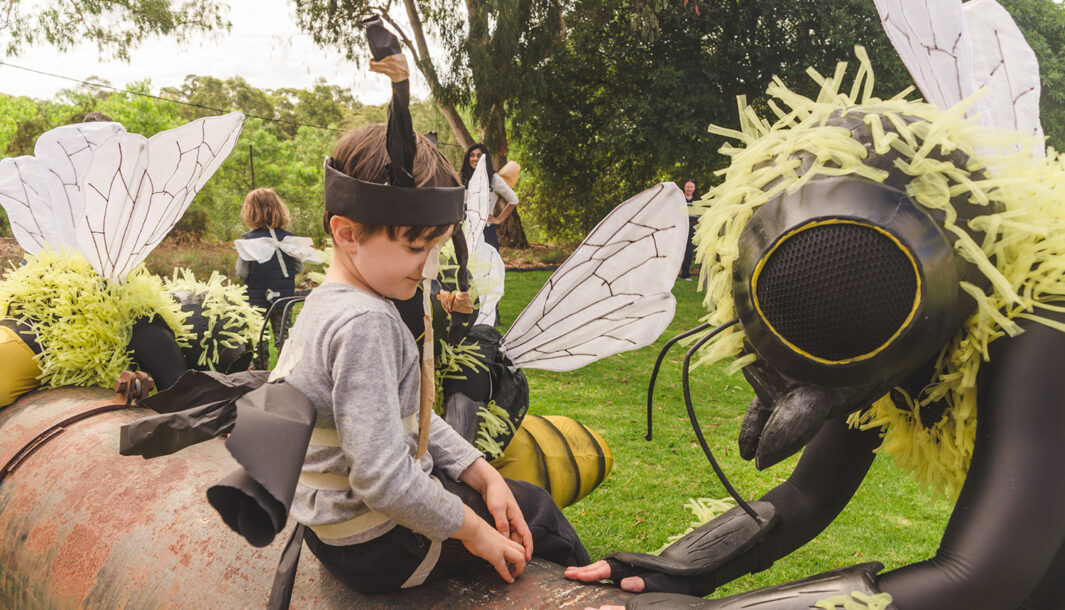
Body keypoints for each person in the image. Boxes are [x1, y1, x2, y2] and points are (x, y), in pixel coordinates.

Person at [274, 34, 588, 595]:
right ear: (347, 234)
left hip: (333, 531)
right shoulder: (365, 323)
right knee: (536, 510)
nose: (429, 265)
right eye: (416, 247)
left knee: (497, 490)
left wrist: (480, 470)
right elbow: (381, 477)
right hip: (379, 543)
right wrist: (475, 532)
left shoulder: (327, 302)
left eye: (437, 247)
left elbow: (410, 415)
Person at [234, 188, 320, 349]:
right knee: (284, 338)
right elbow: (298, 266)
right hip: (284, 297)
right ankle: (286, 371)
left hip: (256, 298)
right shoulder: (289, 239)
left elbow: (241, 272)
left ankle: (261, 370)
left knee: (259, 339)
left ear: (249, 212)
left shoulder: (248, 241)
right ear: (279, 209)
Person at [460, 143, 519, 250]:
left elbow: (514, 200)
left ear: (484, 158)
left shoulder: (493, 179)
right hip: (463, 229)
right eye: (472, 155)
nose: (475, 159)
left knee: (488, 263)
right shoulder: (462, 179)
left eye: (479, 155)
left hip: (485, 230)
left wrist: (499, 219)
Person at [677, 179, 697, 280]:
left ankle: (685, 274)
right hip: (680, 228)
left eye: (691, 187)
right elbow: (675, 212)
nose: (689, 189)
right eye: (688, 187)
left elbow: (700, 214)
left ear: (694, 188)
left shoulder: (697, 200)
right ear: (684, 187)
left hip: (692, 228)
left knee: (689, 252)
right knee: (677, 250)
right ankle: (673, 273)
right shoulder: (679, 199)